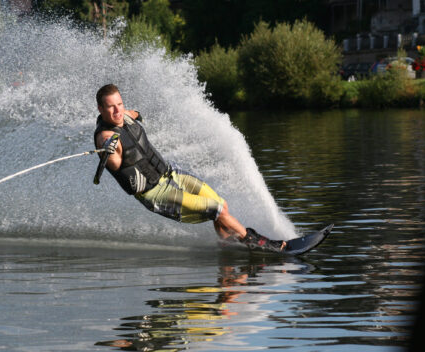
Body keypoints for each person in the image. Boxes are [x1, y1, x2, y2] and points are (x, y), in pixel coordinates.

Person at [93, 84, 286, 251]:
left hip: (170, 173)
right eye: (111, 107)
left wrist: (138, 114)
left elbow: (134, 114)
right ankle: (259, 243)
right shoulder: (105, 139)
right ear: (101, 109)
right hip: (155, 192)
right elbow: (115, 164)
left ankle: (228, 245)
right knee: (218, 210)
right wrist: (107, 150)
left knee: (222, 205)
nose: (117, 110)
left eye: (119, 104)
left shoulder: (124, 115)